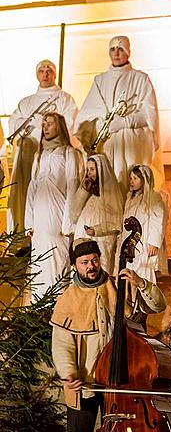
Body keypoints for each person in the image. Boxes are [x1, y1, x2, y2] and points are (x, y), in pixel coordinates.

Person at [50, 238, 167, 432]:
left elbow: (158, 305)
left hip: (120, 382)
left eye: (94, 260)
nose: (90, 266)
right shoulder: (68, 298)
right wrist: (69, 375)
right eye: (84, 263)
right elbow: (62, 343)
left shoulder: (119, 285)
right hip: (86, 380)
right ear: (75, 266)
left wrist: (140, 283)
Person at [75, 35, 163, 195]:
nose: (116, 53)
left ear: (128, 52)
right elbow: (87, 113)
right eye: (112, 49)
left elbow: (148, 114)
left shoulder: (141, 78)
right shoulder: (100, 80)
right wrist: (104, 120)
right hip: (107, 142)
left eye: (120, 49)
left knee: (131, 182)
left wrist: (125, 122)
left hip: (132, 143)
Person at [7, 59, 77, 232]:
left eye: (49, 71)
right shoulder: (26, 101)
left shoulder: (64, 99)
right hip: (27, 153)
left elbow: (69, 123)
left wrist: (42, 124)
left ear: (54, 74)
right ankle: (21, 235)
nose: (45, 74)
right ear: (36, 74)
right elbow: (14, 121)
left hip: (51, 155)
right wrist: (30, 122)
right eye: (41, 70)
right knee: (24, 194)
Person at [25, 112, 82, 298]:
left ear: (59, 126)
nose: (45, 128)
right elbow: (32, 187)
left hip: (58, 215)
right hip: (40, 216)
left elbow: (73, 186)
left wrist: (68, 223)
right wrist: (29, 222)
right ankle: (38, 306)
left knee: (57, 259)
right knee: (39, 261)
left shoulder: (69, 153)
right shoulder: (39, 155)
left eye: (50, 124)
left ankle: (56, 305)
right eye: (44, 124)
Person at [72, 153, 124, 275]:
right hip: (83, 241)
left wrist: (96, 230)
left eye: (92, 169)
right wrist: (83, 191)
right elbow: (74, 213)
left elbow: (116, 223)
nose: (89, 173)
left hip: (101, 243)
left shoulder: (111, 194)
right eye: (87, 169)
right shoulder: (89, 194)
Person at [116, 164, 168, 283]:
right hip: (130, 241)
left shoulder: (153, 197)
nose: (132, 182)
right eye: (131, 178)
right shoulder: (130, 198)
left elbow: (158, 219)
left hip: (144, 240)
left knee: (144, 269)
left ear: (144, 180)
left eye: (135, 178)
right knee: (129, 268)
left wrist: (154, 242)